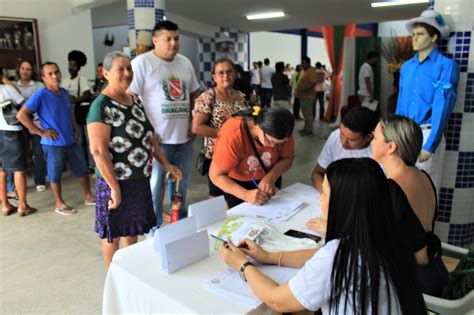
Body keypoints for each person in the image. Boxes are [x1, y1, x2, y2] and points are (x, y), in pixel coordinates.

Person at [219, 158, 426, 314]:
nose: (320, 198)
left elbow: (276, 300)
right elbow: (320, 256)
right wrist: (269, 257)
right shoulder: (382, 235)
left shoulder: (340, 255)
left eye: (325, 193)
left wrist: (242, 265)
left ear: (342, 203)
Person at [87, 51, 181, 270]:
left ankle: (130, 271)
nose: (127, 73)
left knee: (133, 228)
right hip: (113, 182)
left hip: (139, 180)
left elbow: (149, 137)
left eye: (129, 68)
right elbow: (98, 151)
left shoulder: (134, 100)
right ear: (106, 72)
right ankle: (113, 275)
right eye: (121, 69)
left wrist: (165, 163)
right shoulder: (101, 106)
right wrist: (114, 188)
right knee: (113, 232)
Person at [129, 20, 200, 227]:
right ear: (155, 40)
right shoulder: (142, 63)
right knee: (154, 188)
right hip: (156, 142)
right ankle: (154, 228)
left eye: (176, 39)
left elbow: (196, 95)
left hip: (184, 139)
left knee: (180, 186)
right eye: (167, 39)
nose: (173, 43)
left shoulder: (185, 63)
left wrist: (194, 123)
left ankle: (180, 225)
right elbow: (130, 99)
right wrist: (145, 131)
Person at [371, 114, 449, 296]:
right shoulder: (423, 176)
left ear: (391, 147)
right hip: (435, 268)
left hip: (414, 282)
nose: (371, 142)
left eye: (375, 138)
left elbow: (375, 239)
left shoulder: (391, 187)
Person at [17, 62, 96, 215]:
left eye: (56, 72)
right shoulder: (40, 95)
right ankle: (59, 203)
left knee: (82, 169)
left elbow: (69, 112)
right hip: (52, 143)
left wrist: (74, 127)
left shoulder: (64, 93)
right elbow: (21, 115)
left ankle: (88, 196)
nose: (55, 76)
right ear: (43, 78)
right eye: (50, 74)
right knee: (55, 173)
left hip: (70, 140)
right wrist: (40, 132)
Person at [396, 10, 459, 192]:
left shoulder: (446, 66)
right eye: (413, 34)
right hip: (405, 132)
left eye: (420, 34)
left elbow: (444, 104)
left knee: (426, 186)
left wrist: (431, 142)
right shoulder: (406, 68)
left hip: (427, 133)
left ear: (433, 37)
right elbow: (401, 102)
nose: (414, 38)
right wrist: (396, 134)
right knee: (402, 183)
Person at [209, 107, 295, 208]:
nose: (272, 146)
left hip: (269, 176)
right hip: (238, 184)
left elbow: (287, 158)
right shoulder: (233, 136)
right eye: (270, 141)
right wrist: (245, 194)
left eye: (278, 143)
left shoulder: (283, 130)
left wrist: (271, 177)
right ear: (259, 126)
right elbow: (216, 175)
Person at [192, 58, 247, 198]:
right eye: (221, 73)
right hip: (217, 156)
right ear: (214, 77)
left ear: (235, 74)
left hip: (240, 156)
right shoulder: (208, 97)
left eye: (229, 72)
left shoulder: (241, 97)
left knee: (237, 196)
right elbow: (197, 127)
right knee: (217, 199)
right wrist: (227, 134)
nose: (226, 76)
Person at [311, 107, 377, 192]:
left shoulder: (378, 151)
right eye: (341, 134)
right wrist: (327, 193)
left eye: (351, 139)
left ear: (368, 137)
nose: (343, 142)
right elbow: (317, 173)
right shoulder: (335, 136)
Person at [0, 68, 37, 216]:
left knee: (1, 170)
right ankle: (22, 205)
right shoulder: (7, 89)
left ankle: (5, 205)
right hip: (10, 131)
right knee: (19, 169)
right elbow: (24, 103)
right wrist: (6, 81)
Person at [15, 60, 46, 192]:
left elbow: (39, 102)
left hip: (36, 122)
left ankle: (39, 180)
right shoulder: (14, 86)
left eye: (28, 69)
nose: (25, 71)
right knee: (19, 152)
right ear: (19, 70)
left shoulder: (38, 85)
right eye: (23, 68)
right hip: (19, 123)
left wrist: (24, 102)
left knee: (38, 152)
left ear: (32, 71)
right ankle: (19, 185)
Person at [62, 50, 94, 170]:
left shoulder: (82, 79)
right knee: (77, 139)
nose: (71, 68)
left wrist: (74, 100)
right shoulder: (65, 81)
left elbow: (87, 95)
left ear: (79, 67)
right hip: (69, 111)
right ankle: (81, 164)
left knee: (87, 138)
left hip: (81, 111)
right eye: (70, 64)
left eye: (74, 65)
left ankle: (90, 164)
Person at [295, 56, 317, 136]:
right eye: (302, 63)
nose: (302, 64)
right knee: (305, 114)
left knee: (308, 114)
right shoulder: (303, 70)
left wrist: (304, 89)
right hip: (302, 96)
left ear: (308, 63)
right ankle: (305, 128)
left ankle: (309, 130)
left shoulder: (311, 71)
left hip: (308, 97)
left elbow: (313, 83)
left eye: (304, 63)